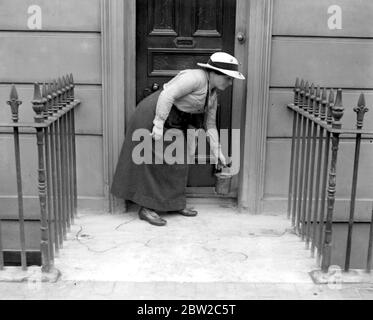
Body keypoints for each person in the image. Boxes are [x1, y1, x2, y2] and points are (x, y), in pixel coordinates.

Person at [110, 52, 245, 226]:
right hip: (154, 114)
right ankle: (147, 208)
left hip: (175, 119)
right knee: (154, 161)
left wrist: (217, 151)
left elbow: (210, 126)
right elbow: (167, 95)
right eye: (228, 78)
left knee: (178, 159)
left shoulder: (212, 94)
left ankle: (173, 204)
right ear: (214, 73)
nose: (230, 82)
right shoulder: (194, 78)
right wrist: (158, 125)